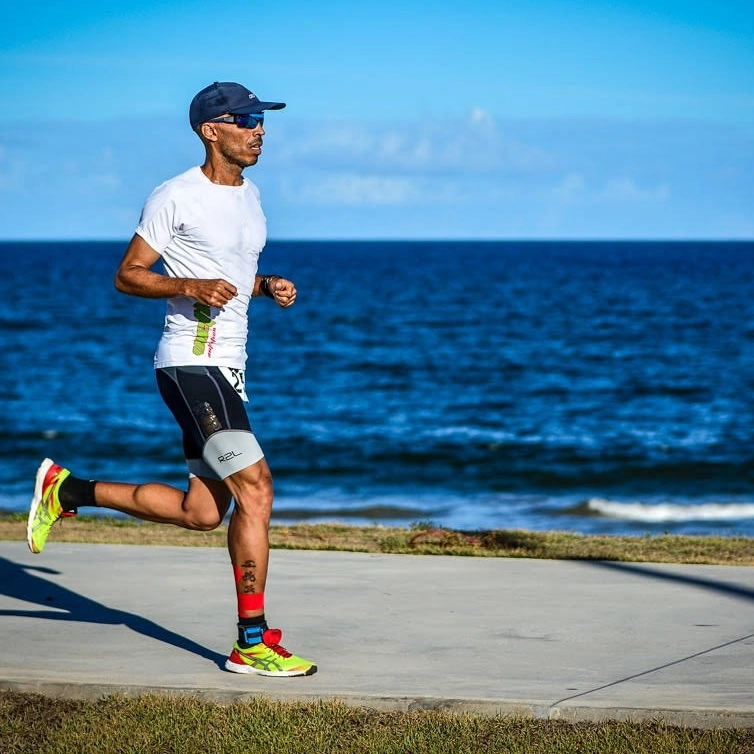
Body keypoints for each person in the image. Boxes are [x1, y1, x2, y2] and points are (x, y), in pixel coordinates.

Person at [26, 81, 316, 677]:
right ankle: (251, 640)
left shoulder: (253, 196)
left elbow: (232, 273)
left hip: (231, 367)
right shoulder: (175, 196)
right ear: (212, 130)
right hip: (190, 363)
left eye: (262, 119)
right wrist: (188, 286)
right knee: (256, 489)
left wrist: (266, 286)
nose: (259, 129)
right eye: (247, 119)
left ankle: (67, 490)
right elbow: (128, 275)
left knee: (202, 513)